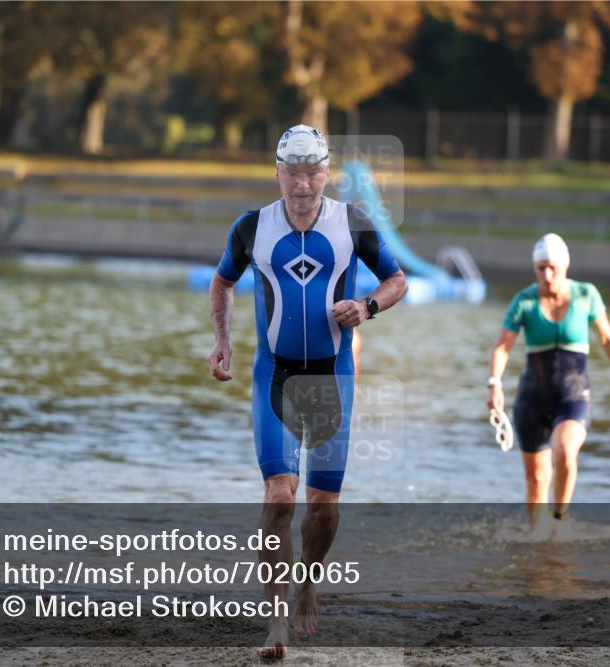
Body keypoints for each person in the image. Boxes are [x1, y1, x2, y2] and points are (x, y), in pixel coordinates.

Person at [206, 124, 407, 659]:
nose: (302, 183)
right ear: (277, 172)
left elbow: (397, 280)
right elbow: (223, 281)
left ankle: (309, 584)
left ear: (326, 172)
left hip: (330, 374)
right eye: (292, 172)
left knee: (323, 507)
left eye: (312, 172)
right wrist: (223, 339)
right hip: (273, 374)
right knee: (279, 497)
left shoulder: (352, 223)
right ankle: (275, 623)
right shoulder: (252, 227)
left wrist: (366, 307)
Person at [486, 233, 610, 532]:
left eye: (552, 267)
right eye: (540, 268)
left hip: (573, 396)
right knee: (537, 479)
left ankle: (559, 520)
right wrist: (494, 384)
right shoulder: (525, 301)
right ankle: (537, 538)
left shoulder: (586, 295)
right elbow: (502, 346)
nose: (547, 275)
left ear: (565, 266)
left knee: (565, 450)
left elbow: (607, 337)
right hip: (531, 400)